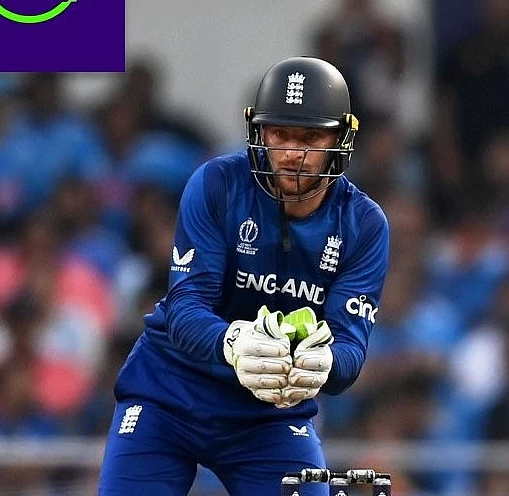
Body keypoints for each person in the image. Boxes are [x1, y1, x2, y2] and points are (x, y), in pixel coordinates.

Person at [98, 57, 390, 496]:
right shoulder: (217, 184)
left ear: (341, 139)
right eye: (280, 135)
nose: (293, 153)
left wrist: (325, 363)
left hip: (270, 414)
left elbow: (350, 349)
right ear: (258, 133)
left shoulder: (363, 225)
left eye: (310, 137)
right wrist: (233, 343)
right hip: (170, 392)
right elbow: (185, 309)